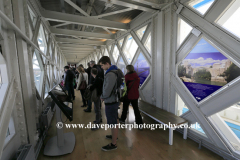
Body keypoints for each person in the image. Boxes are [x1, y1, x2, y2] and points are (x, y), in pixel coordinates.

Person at [99, 56, 119, 151]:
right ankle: (114, 136)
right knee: (115, 119)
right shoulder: (115, 71)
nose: (102, 67)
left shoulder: (110, 74)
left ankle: (113, 144)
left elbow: (107, 89)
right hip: (114, 100)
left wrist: (102, 96)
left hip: (111, 101)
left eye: (102, 65)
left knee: (113, 122)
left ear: (107, 63)